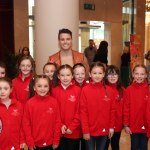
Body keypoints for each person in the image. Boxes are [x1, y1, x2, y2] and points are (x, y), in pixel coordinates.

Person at [80, 62, 115, 150]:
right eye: (94, 73)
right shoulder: (85, 90)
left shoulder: (109, 90)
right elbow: (83, 112)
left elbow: (112, 110)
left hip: (104, 130)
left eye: (100, 73)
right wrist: (85, 131)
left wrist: (111, 127)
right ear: (90, 74)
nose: (97, 75)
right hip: (89, 131)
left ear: (104, 74)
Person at [23, 75, 61, 150]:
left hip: (51, 143)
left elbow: (57, 122)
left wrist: (56, 140)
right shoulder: (29, 103)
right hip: (34, 144)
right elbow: (26, 124)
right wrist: (30, 142)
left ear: (49, 87)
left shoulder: (54, 102)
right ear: (34, 88)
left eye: (45, 86)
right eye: (39, 86)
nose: (42, 89)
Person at [52, 64, 82, 150]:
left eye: (68, 75)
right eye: (62, 75)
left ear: (72, 76)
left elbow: (80, 110)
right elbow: (53, 111)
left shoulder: (78, 90)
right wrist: (60, 125)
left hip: (74, 131)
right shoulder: (54, 91)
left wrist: (72, 126)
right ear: (58, 76)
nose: (65, 78)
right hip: (58, 130)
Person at [123, 64, 149, 150]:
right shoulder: (128, 90)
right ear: (133, 74)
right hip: (133, 126)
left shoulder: (148, 90)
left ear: (146, 75)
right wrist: (126, 125)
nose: (139, 76)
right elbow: (126, 109)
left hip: (146, 125)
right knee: (134, 147)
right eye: (137, 74)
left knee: (143, 147)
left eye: (142, 74)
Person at [0, 77, 25, 150]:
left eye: (5, 88)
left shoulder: (18, 105)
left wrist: (22, 140)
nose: (2, 91)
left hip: (15, 145)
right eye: (0, 88)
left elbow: (22, 125)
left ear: (11, 90)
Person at [104, 65, 124, 150]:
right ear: (106, 76)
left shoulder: (122, 90)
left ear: (118, 76)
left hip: (118, 124)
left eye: (115, 74)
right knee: (104, 146)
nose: (112, 77)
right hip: (105, 124)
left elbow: (125, 108)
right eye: (110, 74)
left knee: (115, 145)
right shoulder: (103, 89)